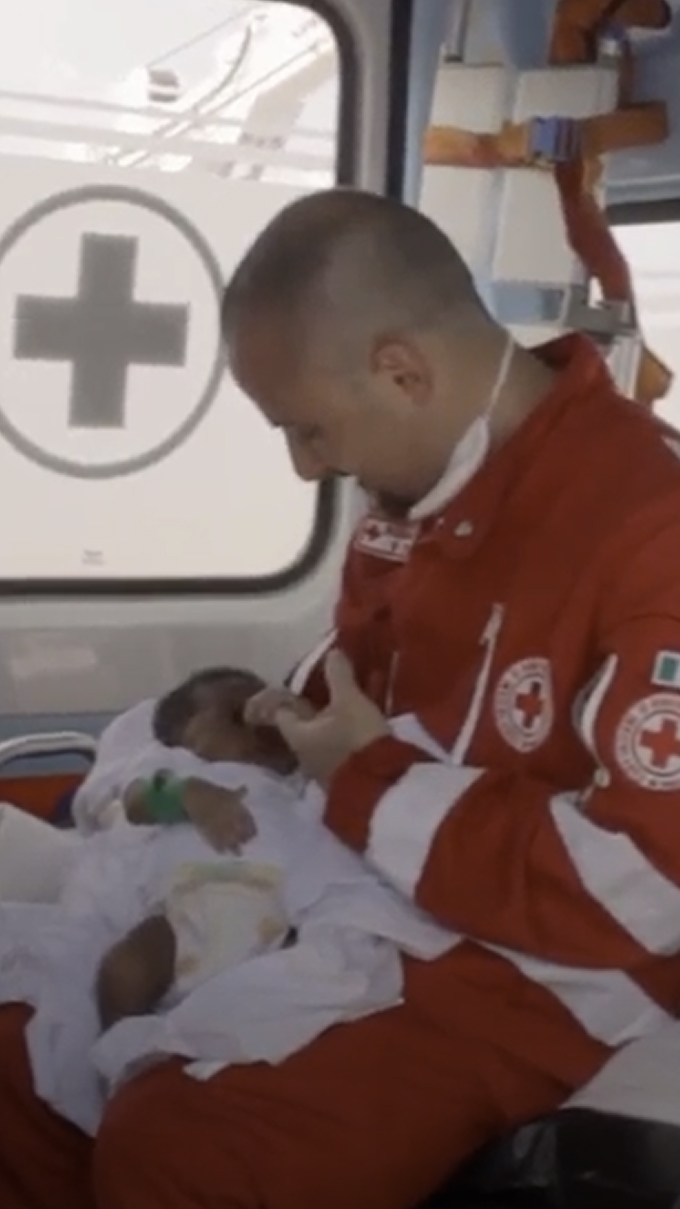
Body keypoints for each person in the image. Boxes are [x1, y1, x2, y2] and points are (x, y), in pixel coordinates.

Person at [1, 187, 680, 1209]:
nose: (302, 466)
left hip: (543, 968)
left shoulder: (648, 531)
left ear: (402, 372)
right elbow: (322, 712)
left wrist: (368, 781)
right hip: (351, 880)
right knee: (19, 1068)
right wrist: (200, 762)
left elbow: (643, 887)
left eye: (308, 430)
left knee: (186, 1146)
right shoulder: (406, 505)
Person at [0, 665, 450, 1135]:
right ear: (185, 739)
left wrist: (306, 727)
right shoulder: (181, 771)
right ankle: (118, 1066)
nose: (261, 727)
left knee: (315, 975)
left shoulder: (297, 783)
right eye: (237, 716)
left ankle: (188, 1050)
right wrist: (188, 795)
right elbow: (136, 802)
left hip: (275, 911)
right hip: (193, 897)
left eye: (268, 713)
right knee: (126, 970)